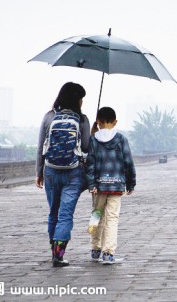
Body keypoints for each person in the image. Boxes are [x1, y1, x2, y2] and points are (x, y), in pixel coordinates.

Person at [36, 82, 91, 267]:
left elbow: (40, 148)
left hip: (50, 170)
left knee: (53, 213)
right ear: (77, 99)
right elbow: (85, 147)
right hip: (73, 173)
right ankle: (58, 256)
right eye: (81, 98)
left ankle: (54, 251)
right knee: (65, 215)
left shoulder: (49, 117)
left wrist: (39, 172)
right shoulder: (82, 119)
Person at [85, 106, 136, 265]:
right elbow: (128, 162)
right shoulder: (121, 139)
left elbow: (90, 164)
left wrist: (91, 183)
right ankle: (108, 252)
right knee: (112, 218)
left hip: (98, 187)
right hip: (116, 186)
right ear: (115, 122)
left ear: (98, 122)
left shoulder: (93, 140)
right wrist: (130, 183)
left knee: (96, 215)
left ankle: (95, 248)